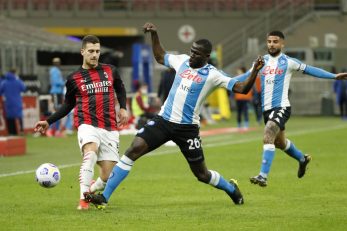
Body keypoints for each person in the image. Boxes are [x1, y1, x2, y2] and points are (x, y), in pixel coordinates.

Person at [84, 22, 264, 209]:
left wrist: (255, 72)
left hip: (187, 129)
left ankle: (231, 188)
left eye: (197, 53)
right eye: (192, 51)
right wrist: (154, 34)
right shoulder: (182, 61)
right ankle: (104, 197)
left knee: (202, 175)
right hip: (163, 121)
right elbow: (160, 56)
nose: (192, 55)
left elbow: (242, 88)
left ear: (206, 57)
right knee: (133, 149)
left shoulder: (213, 75)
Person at [235, 31, 347, 187]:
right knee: (280, 143)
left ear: (282, 44)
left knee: (268, 134)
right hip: (266, 110)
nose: (272, 44)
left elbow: (311, 69)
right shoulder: (260, 62)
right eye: (269, 41)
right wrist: (222, 81)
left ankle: (263, 176)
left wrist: (334, 76)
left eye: (275, 41)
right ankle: (302, 158)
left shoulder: (289, 62)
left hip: (281, 107)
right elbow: (242, 78)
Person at [34, 35, 129, 210]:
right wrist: (49, 121)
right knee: (90, 152)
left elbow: (120, 89)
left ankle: (91, 189)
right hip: (87, 123)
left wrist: (123, 108)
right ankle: (83, 200)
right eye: (91, 51)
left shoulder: (110, 70)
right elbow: (68, 104)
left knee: (108, 175)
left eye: (97, 51)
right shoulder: (74, 78)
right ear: (82, 51)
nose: (95, 55)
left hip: (109, 127)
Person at [0, 68, 26, 135]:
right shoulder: (18, 81)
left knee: (9, 117)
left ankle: (11, 132)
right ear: (14, 73)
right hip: (17, 101)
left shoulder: (4, 82)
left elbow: (0, 90)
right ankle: (21, 131)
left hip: (8, 102)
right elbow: (23, 88)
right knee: (19, 116)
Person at [47, 57, 65, 137]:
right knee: (56, 111)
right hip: (55, 92)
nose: (58, 63)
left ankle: (57, 131)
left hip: (58, 92)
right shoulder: (54, 70)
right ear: (55, 63)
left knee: (58, 112)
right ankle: (50, 130)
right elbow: (56, 82)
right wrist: (64, 82)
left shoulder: (56, 70)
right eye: (57, 62)